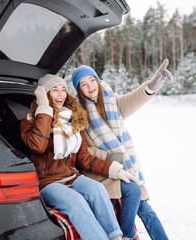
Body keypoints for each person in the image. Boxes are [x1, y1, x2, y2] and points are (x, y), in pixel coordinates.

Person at [20, 74, 141, 240]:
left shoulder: (73, 120)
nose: (61, 94)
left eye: (63, 90)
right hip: (47, 183)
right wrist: (44, 108)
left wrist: (114, 170)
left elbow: (84, 159)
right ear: (44, 94)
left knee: (98, 190)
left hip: (70, 176)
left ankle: (116, 237)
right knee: (76, 201)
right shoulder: (30, 121)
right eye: (54, 90)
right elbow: (38, 146)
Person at [71, 59, 173, 240]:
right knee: (138, 199)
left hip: (125, 165)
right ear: (79, 89)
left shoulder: (111, 101)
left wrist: (150, 87)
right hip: (102, 170)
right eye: (83, 84)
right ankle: (126, 236)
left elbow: (132, 100)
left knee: (145, 208)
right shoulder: (80, 114)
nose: (90, 86)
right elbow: (83, 151)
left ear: (97, 79)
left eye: (92, 80)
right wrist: (108, 155)